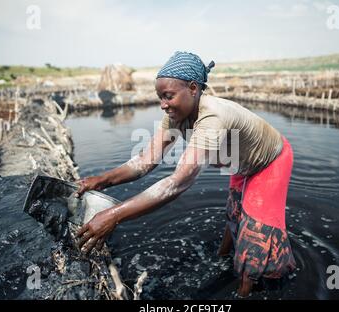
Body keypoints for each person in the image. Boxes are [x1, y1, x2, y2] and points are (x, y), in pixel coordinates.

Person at [75, 51, 296, 297]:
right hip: (242, 163)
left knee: (255, 239)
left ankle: (244, 292)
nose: (163, 104)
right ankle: (223, 257)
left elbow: (176, 183)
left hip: (269, 161)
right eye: (160, 97)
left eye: (168, 96)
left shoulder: (212, 117)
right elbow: (143, 161)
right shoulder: (174, 116)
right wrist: (100, 180)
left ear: (193, 88)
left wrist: (113, 216)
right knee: (234, 215)